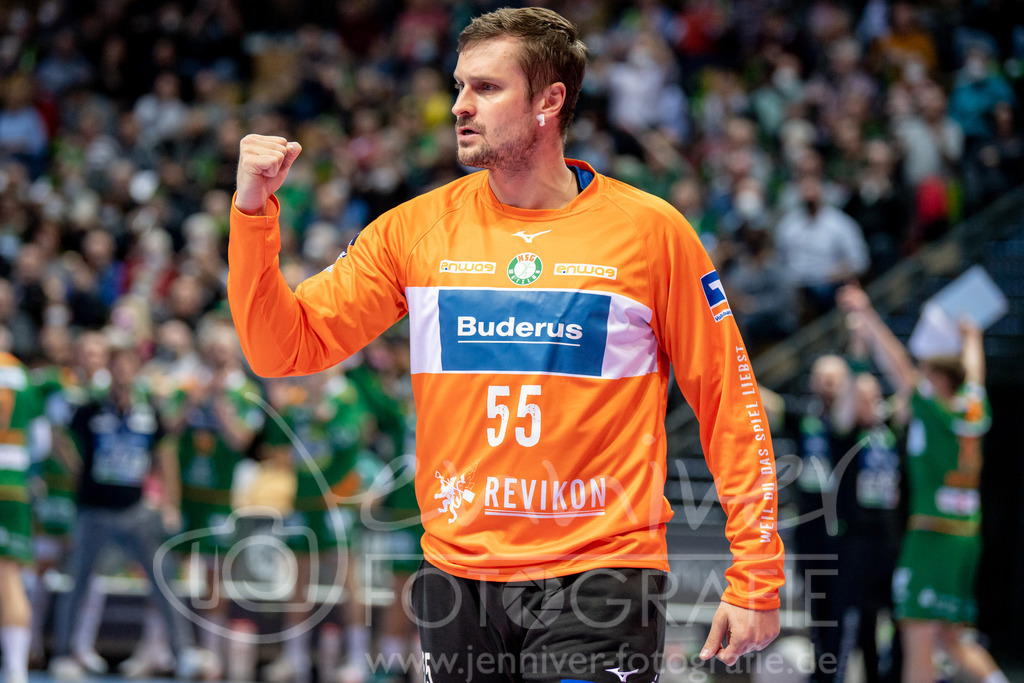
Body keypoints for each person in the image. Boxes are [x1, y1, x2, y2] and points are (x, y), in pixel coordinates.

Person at [227, 7, 783, 681]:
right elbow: (281, 350)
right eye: (461, 86)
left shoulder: (651, 233)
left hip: (600, 571)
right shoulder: (417, 229)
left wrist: (756, 570)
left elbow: (731, 400)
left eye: (487, 89)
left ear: (549, 101)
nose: (460, 105)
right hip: (457, 575)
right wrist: (253, 215)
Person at [837, 284, 1008, 683]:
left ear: (937, 378)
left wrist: (867, 314)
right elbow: (975, 376)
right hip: (966, 537)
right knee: (954, 640)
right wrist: (972, 339)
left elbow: (898, 365)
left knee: (918, 637)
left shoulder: (932, 409)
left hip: (932, 536)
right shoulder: (973, 409)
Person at [47, 340, 213, 681]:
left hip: (136, 511)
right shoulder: (91, 409)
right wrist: (78, 473)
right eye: (117, 365)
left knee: (164, 582)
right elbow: (58, 437)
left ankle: (183, 653)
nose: (122, 372)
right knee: (77, 582)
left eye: (128, 365)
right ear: (109, 370)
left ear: (137, 370)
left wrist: (170, 503)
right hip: (93, 510)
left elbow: (165, 456)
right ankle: (63, 654)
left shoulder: (148, 411)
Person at [0, 327, 44, 683]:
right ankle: (15, 669)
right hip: (13, 484)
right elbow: (41, 442)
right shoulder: (24, 378)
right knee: (9, 573)